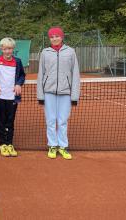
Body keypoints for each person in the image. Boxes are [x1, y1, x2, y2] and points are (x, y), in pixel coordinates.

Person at [37, 27, 80, 160]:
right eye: (52, 37)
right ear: (49, 38)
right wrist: (40, 95)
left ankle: (63, 146)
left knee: (62, 121)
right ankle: (52, 145)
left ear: (62, 37)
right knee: (50, 120)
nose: (54, 38)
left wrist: (74, 96)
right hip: (48, 92)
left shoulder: (71, 52)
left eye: (57, 36)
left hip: (66, 92)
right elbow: (41, 74)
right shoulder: (45, 52)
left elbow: (75, 75)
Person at [0, 37, 25, 157]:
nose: (7, 51)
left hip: (12, 97)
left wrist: (18, 84)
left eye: (10, 48)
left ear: (13, 49)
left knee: (10, 121)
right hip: (0, 96)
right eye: (5, 49)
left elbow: (22, 75)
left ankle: (9, 143)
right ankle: (2, 144)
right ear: (1, 49)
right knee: (1, 121)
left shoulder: (18, 61)